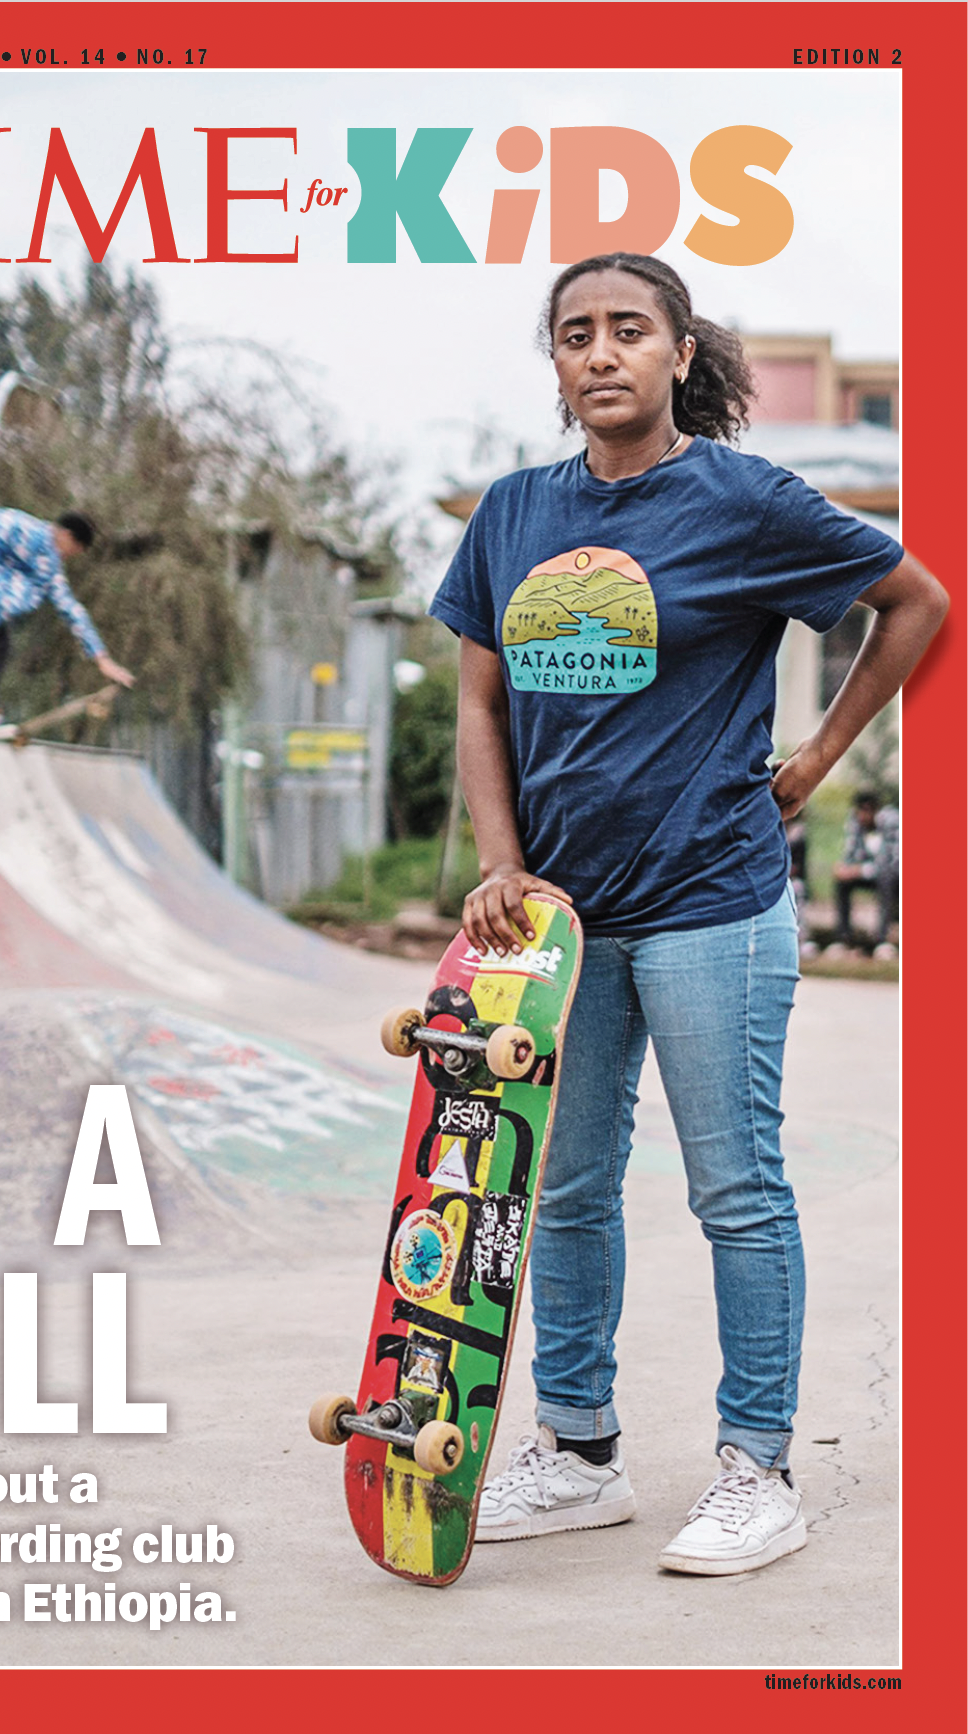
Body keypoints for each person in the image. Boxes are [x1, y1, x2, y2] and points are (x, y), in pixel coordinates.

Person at [428, 253, 946, 1576]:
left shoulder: (740, 498)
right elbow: (481, 702)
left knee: (736, 1186)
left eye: (628, 331)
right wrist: (501, 859)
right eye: (574, 334)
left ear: (677, 352)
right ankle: (581, 1449)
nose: (600, 353)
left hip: (712, 898)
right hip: (564, 924)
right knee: (572, 1187)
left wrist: (820, 756)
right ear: (555, 363)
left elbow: (917, 600)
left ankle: (755, 1466)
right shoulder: (512, 515)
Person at [0, 507, 135, 729]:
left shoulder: (29, 532)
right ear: (66, 536)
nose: (70, 556)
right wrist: (102, 659)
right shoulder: (40, 549)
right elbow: (66, 604)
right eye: (75, 550)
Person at [832, 792, 900, 950]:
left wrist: (859, 870)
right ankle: (843, 939)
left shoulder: (891, 822)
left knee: (886, 878)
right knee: (842, 882)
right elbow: (851, 853)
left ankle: (882, 940)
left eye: (865, 812)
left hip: (894, 875)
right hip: (870, 873)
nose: (862, 816)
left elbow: (892, 863)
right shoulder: (855, 822)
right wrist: (844, 867)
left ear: (874, 810)